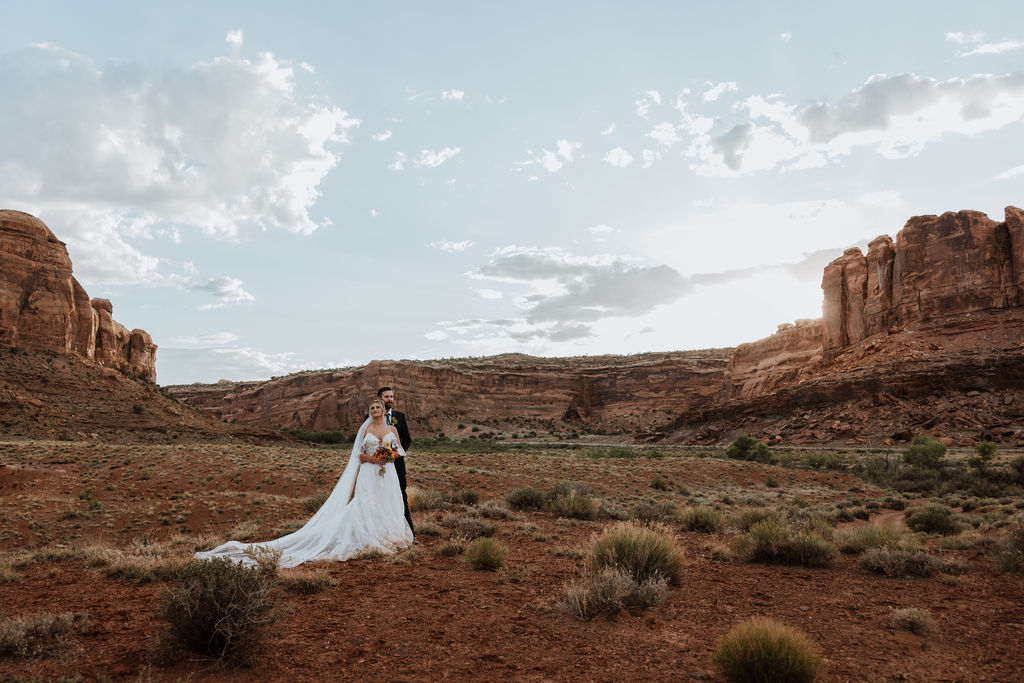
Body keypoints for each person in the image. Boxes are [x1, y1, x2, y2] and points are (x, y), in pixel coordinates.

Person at [195, 398, 413, 567]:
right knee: (366, 504)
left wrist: (387, 458)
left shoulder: (392, 430)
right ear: (369, 412)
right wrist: (374, 459)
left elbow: (398, 451)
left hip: (388, 472)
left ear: (384, 411)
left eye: (378, 407)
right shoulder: (366, 430)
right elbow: (359, 455)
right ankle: (367, 536)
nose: (375, 410)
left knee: (388, 502)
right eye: (372, 408)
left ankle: (390, 534)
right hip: (368, 472)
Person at [378, 386, 414, 535]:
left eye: (391, 397)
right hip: (377, 466)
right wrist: (382, 457)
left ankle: (409, 533)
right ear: (380, 398)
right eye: (386, 397)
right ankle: (382, 532)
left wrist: (394, 455)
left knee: (400, 497)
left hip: (397, 465)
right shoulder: (370, 417)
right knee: (379, 498)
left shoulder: (400, 416)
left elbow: (407, 440)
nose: (389, 399)